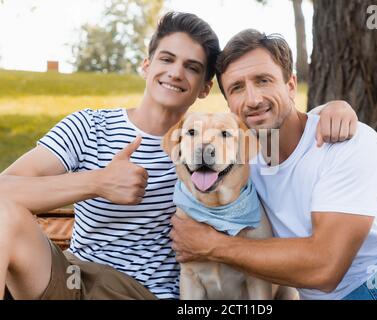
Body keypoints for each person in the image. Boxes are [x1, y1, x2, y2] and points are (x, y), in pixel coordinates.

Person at [0, 13, 357, 300]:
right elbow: (5, 189)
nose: (175, 72)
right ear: (146, 65)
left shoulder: (215, 154)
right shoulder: (88, 126)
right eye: (167, 59)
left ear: (205, 88)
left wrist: (334, 108)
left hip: (145, 292)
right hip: (70, 277)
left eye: (191, 67)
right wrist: (96, 182)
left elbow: (277, 125)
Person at [169, 29, 377, 300]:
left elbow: (326, 268)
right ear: (230, 104)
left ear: (291, 86)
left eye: (264, 80)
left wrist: (213, 246)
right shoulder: (239, 163)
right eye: (237, 88)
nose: (253, 99)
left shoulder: (347, 141)